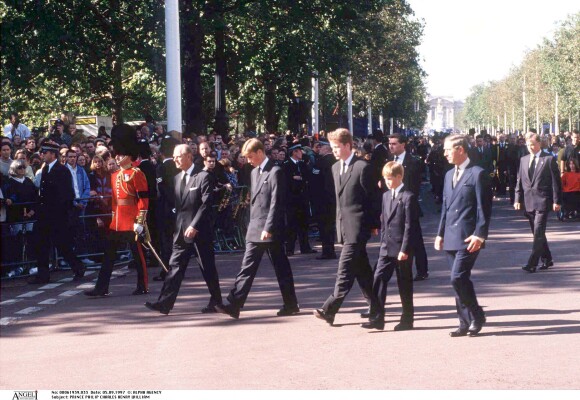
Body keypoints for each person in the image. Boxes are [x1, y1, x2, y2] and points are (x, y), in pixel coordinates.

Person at [216, 138, 299, 319]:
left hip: (270, 228)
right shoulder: (254, 173)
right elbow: (255, 202)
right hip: (256, 227)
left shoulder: (276, 171)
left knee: (280, 267)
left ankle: (290, 304)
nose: (249, 160)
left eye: (251, 157)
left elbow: (276, 202)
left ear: (260, 152)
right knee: (248, 266)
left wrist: (268, 227)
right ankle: (235, 303)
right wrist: (251, 224)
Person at [145, 144, 223, 315]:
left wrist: (194, 225)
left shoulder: (203, 176)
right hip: (181, 231)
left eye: (178, 156)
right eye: (173, 156)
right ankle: (164, 303)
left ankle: (216, 301)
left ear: (188, 156)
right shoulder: (176, 178)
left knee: (207, 267)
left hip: (200, 230)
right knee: (175, 267)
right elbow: (178, 207)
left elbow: (206, 204)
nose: (175, 160)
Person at [313, 128, 379, 326]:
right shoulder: (335, 168)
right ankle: (377, 308)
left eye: (336, 147)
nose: (333, 150)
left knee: (344, 270)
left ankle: (329, 309)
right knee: (362, 271)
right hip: (344, 225)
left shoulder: (362, 167)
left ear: (348, 145)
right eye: (331, 147)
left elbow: (373, 199)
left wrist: (374, 224)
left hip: (359, 226)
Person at [435, 134, 492, 337]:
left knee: (457, 277)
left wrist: (480, 234)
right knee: (460, 280)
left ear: (460, 149)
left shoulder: (477, 174)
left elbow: (484, 208)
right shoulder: (448, 174)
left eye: (448, 149)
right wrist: (440, 233)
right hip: (450, 234)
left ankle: (477, 314)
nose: (445, 153)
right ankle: (464, 322)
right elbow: (445, 207)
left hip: (469, 236)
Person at [85, 124, 150, 297]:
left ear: (129, 156)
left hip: (131, 220)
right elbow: (115, 201)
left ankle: (143, 284)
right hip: (117, 221)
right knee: (108, 255)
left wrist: (140, 221)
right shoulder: (114, 176)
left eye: (121, 154)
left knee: (138, 256)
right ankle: (101, 287)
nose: (118, 157)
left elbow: (143, 199)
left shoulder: (137, 174)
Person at [363, 161, 420, 331]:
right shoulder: (386, 196)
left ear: (399, 177)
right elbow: (384, 223)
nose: (387, 182)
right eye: (385, 178)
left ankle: (407, 320)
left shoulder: (408, 197)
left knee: (404, 284)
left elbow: (411, 226)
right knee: (378, 278)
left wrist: (405, 249)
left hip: (402, 248)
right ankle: (378, 318)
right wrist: (382, 244)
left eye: (390, 178)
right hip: (386, 248)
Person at [28, 142, 87, 284]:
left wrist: (63, 214)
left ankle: (78, 267)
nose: (43, 155)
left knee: (63, 245)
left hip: (58, 216)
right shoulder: (45, 169)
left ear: (52, 154)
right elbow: (43, 193)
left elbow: (66, 194)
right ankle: (43, 275)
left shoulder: (62, 171)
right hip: (45, 215)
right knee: (41, 245)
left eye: (45, 152)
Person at [514, 132, 562, 273]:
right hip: (529, 201)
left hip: (543, 201)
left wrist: (556, 201)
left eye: (533, 144)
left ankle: (532, 263)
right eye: (528, 145)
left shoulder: (548, 159)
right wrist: (517, 199)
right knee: (538, 233)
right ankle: (547, 259)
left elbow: (556, 182)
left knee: (538, 232)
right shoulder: (523, 160)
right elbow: (519, 181)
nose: (530, 147)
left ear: (539, 144)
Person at [388, 133, 429, 281]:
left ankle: (422, 269)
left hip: (408, 205)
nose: (391, 146)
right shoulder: (388, 161)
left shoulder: (413, 162)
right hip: (391, 206)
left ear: (403, 145)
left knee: (415, 238)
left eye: (394, 143)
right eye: (390, 143)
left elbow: (414, 186)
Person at [152, 136, 180, 282]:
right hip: (179, 206)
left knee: (166, 241)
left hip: (166, 208)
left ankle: (166, 270)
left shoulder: (161, 168)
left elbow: (163, 189)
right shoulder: (178, 166)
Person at [283, 143, 315, 255]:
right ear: (294, 152)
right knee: (291, 224)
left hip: (303, 198)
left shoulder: (302, 164)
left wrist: (299, 178)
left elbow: (308, 177)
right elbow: (287, 181)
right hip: (292, 199)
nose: (301, 153)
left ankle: (305, 247)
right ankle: (290, 248)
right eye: (299, 151)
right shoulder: (286, 165)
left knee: (304, 224)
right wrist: (297, 179)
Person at [309, 140, 337, 259]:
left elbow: (314, 181)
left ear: (326, 149)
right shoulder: (337, 162)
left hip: (322, 199)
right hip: (333, 199)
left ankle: (327, 251)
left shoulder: (320, 163)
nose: (319, 149)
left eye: (321, 147)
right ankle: (331, 249)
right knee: (330, 226)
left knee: (324, 226)